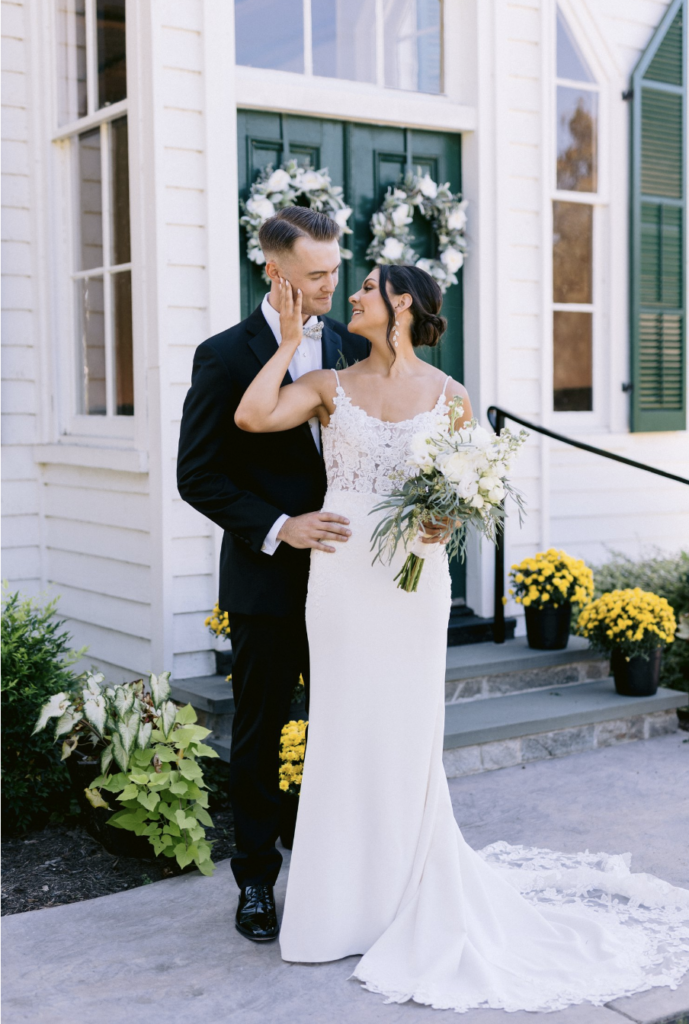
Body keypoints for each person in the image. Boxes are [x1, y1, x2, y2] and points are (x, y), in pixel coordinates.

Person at [234, 262, 689, 1013]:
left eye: (365, 285)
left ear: (400, 302)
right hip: (343, 577)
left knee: (406, 735)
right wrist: (285, 344)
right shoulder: (326, 386)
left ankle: (403, 893)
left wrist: (448, 517)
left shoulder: (450, 397)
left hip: (412, 580)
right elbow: (251, 417)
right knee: (343, 729)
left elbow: (471, 488)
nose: (350, 294)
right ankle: (336, 907)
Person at [176, 207, 371, 942]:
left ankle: (343, 870)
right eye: (316, 273)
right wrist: (279, 528)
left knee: (346, 727)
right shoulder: (224, 355)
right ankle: (256, 881)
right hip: (268, 583)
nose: (332, 283)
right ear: (274, 271)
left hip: (355, 582)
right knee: (259, 734)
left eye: (334, 268)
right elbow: (197, 476)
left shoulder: (358, 345)